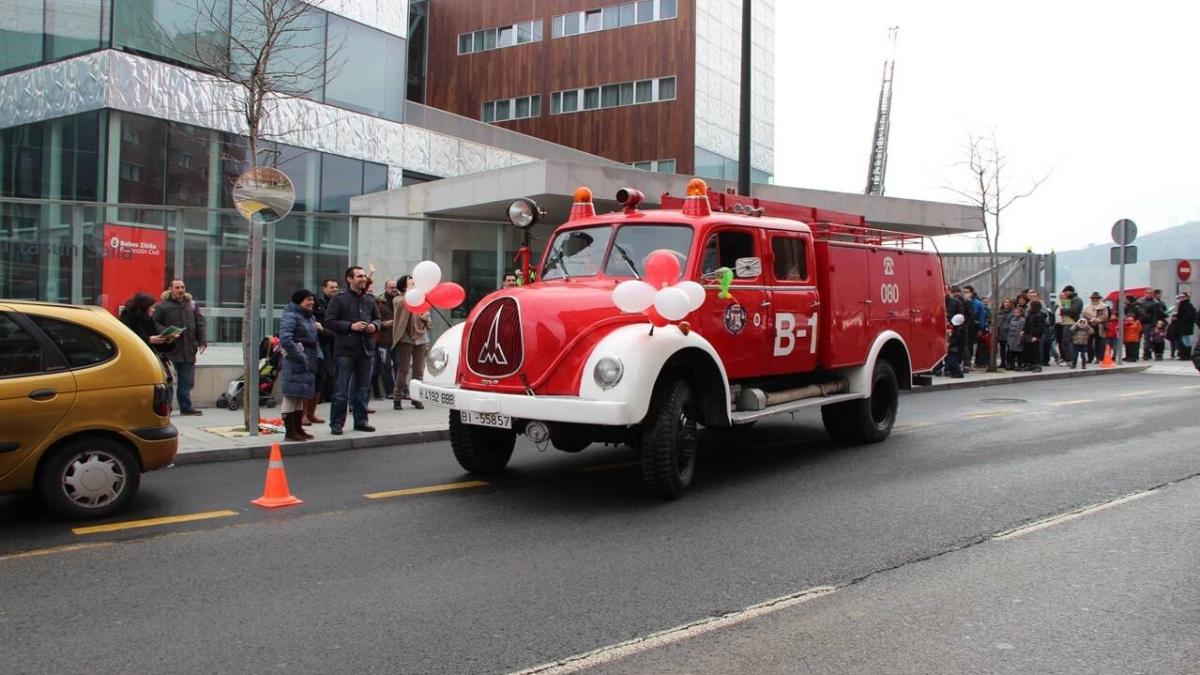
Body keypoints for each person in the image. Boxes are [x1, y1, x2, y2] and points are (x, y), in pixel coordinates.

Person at [324, 266, 381, 435]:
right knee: (341, 390)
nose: (363, 279)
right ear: (349, 279)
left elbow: (378, 318)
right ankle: (336, 424)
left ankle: (361, 421)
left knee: (363, 389)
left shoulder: (370, 299)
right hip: (345, 351)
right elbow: (329, 321)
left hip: (366, 350)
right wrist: (350, 326)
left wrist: (374, 326)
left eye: (364, 276)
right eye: (359, 276)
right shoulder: (339, 299)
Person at [153, 279, 207, 415]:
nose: (181, 290)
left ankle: (186, 407)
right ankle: (167, 408)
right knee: (169, 381)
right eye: (177, 287)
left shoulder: (192, 305)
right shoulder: (162, 306)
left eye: (182, 287)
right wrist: (166, 332)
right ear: (170, 289)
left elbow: (199, 323)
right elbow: (154, 323)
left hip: (188, 349)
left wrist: (202, 341)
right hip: (170, 349)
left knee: (187, 381)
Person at [278, 289, 322, 442]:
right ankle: (290, 432)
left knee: (299, 396)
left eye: (312, 299)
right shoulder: (291, 316)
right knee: (291, 396)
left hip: (308, 360)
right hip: (295, 361)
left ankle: (298, 429)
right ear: (299, 301)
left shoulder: (309, 317)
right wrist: (300, 355)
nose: (312, 303)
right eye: (308, 300)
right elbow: (285, 339)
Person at [121, 292, 178, 401]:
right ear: (144, 308)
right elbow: (127, 340)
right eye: (151, 307)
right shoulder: (128, 319)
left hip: (151, 359)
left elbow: (156, 339)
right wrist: (148, 339)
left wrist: (167, 340)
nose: (153, 310)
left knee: (166, 387)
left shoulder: (148, 320)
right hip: (137, 363)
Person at [392, 274, 433, 407]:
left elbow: (427, 315)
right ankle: (397, 397)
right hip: (405, 338)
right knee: (403, 369)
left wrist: (425, 317)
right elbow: (404, 304)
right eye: (411, 283)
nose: (415, 284)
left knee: (418, 369)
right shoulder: (398, 299)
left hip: (421, 337)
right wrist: (410, 291)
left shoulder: (421, 299)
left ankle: (417, 397)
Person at [305, 278, 339, 426]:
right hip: (312, 350)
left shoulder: (336, 304)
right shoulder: (318, 306)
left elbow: (332, 330)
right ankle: (303, 415)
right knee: (309, 383)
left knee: (320, 380)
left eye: (336, 287)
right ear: (324, 288)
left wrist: (325, 331)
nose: (334, 290)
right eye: (331, 287)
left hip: (326, 348)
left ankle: (311, 413)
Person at [373, 279, 399, 401]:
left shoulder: (401, 300)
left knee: (399, 366)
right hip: (383, 340)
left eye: (395, 287)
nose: (394, 289)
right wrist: (382, 324)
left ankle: (401, 391)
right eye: (391, 287)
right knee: (385, 366)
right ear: (386, 288)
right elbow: (374, 318)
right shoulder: (378, 301)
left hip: (398, 339)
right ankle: (390, 391)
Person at [1135, 289, 1168, 360]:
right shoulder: (1140, 301)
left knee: (1147, 339)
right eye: (1147, 293)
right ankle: (1135, 354)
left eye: (1150, 293)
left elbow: (1158, 312)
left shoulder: (1155, 303)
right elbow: (1136, 308)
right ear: (1145, 293)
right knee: (1137, 338)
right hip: (1140, 321)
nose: (1149, 294)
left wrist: (1164, 316)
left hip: (1149, 322)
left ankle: (1146, 354)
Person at [1082, 291, 1109, 364]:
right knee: (1088, 343)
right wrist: (1091, 319)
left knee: (1099, 343)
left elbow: (1105, 316)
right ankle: (1090, 358)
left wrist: (1097, 320)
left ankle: (1098, 358)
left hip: (1099, 326)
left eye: (1096, 298)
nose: (1094, 299)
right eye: (1093, 298)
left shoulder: (1103, 306)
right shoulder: (1086, 307)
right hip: (1089, 325)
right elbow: (1084, 315)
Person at [1021, 299, 1047, 372]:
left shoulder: (1040, 315)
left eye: (1030, 305)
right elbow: (1026, 324)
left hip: (1034, 335)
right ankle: (1029, 364)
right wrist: (1023, 330)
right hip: (1028, 334)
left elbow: (1040, 327)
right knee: (1027, 350)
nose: (1029, 306)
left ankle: (1037, 365)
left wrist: (1036, 336)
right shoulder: (1030, 314)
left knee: (1035, 351)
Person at [1175, 291, 1196, 359]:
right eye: (1180, 297)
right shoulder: (1182, 304)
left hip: (1185, 326)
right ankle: (1184, 354)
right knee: (1184, 339)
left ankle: (1186, 355)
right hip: (1184, 325)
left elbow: (1188, 315)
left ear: (1186, 297)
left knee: (1185, 340)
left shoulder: (1187, 305)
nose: (1181, 298)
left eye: (1183, 297)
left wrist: (1181, 321)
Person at [996, 297, 1014, 369]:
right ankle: (1003, 362)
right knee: (1002, 349)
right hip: (1001, 333)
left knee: (1009, 349)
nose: (1007, 304)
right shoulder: (999, 312)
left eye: (1008, 302)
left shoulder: (1012, 313)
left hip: (1009, 333)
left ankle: (1009, 362)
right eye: (1005, 302)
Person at [1005, 306, 1025, 371]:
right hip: (1011, 338)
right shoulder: (1012, 319)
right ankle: (1011, 364)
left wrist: (1020, 338)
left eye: (1018, 312)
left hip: (1018, 338)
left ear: (1021, 313)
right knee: (1011, 353)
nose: (1016, 313)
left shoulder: (1022, 320)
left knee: (1019, 353)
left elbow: (1021, 330)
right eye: (1015, 312)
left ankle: (1019, 365)